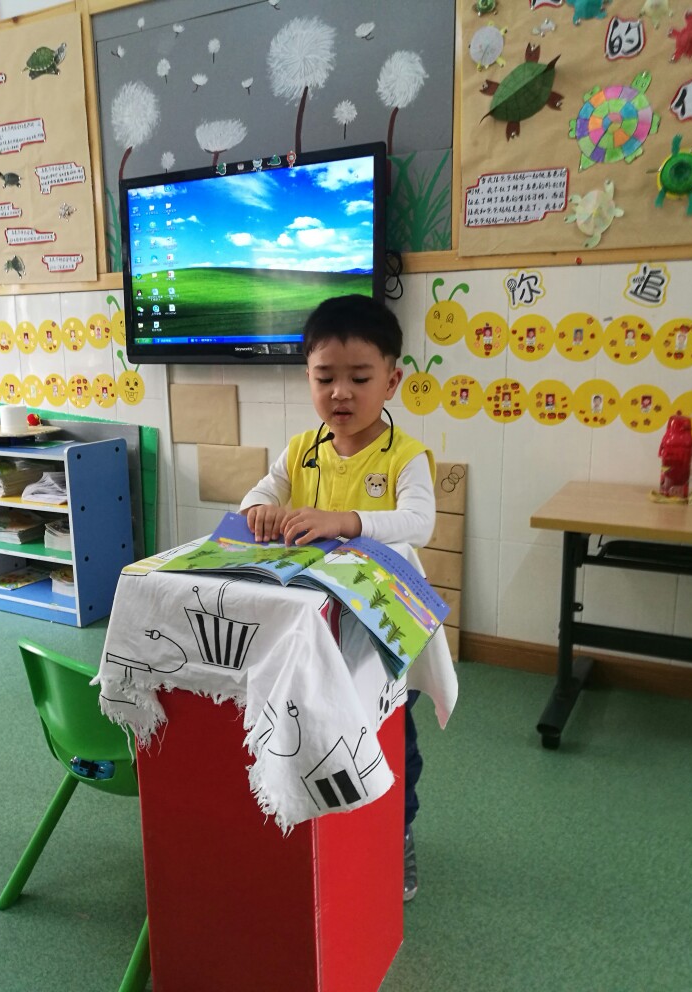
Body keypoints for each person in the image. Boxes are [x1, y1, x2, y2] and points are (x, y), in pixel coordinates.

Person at [239, 293, 437, 902]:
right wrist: (260, 510)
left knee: (389, 731)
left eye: (359, 378)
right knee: (314, 722)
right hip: (312, 622)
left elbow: (419, 522)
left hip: (379, 626)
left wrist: (345, 521)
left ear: (392, 381)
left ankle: (398, 831)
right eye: (325, 378)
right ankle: (324, 826)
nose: (340, 393)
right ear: (308, 378)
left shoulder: (406, 457)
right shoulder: (301, 449)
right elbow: (257, 496)